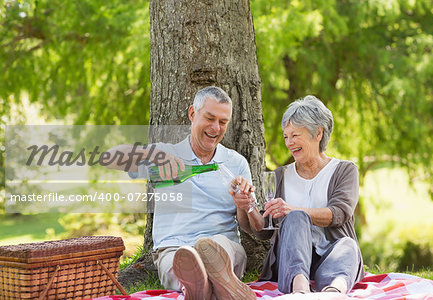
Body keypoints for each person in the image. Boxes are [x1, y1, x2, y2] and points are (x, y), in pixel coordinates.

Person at [106, 86, 258, 300]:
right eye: (210, 118)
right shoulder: (166, 154)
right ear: (192, 114)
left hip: (225, 246)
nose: (216, 128)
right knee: (183, 261)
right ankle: (214, 287)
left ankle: (200, 289)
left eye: (223, 122)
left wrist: (244, 205)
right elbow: (109, 158)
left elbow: (248, 227)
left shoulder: (236, 162)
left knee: (218, 247)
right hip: (175, 248)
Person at [251, 95, 364, 294]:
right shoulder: (280, 176)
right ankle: (300, 290)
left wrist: (292, 209)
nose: (289, 142)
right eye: (286, 136)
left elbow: (339, 214)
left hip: (332, 259)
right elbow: (263, 231)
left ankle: (334, 292)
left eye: (295, 135)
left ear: (318, 133)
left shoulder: (345, 170)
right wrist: (247, 206)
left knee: (348, 244)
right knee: (295, 218)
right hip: (290, 264)